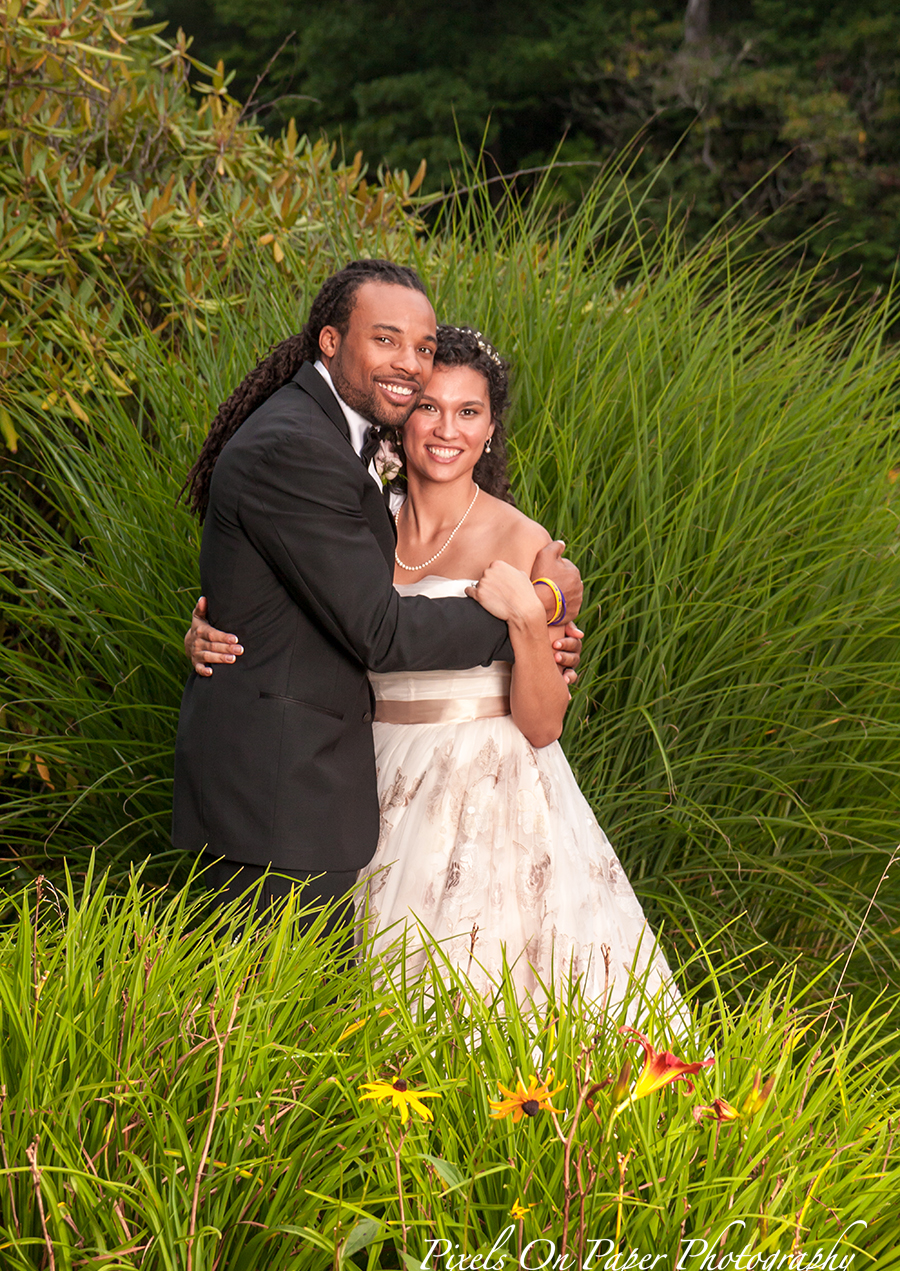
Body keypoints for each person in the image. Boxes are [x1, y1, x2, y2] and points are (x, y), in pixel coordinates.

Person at [187, 323, 679, 1012]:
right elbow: (305, 624)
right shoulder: (359, 522)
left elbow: (542, 725)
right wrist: (210, 630)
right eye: (429, 407)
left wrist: (532, 616)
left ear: (489, 431)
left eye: (468, 411)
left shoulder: (523, 541)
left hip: (489, 791)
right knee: (361, 996)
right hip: (365, 775)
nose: (446, 428)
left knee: (477, 994)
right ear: (400, 418)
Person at [173, 261, 583, 933]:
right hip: (289, 799)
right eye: (386, 340)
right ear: (331, 342)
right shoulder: (306, 452)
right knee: (269, 1013)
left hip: (388, 793)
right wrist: (531, 609)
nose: (410, 364)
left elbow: (295, 595)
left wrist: (534, 634)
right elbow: (380, 630)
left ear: (488, 430)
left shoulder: (346, 456)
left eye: (422, 348)